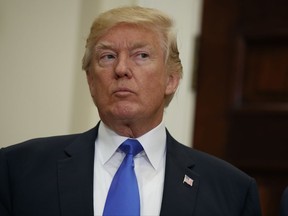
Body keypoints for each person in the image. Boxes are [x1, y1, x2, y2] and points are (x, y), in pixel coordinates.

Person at [0, 6, 262, 216]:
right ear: (91, 81)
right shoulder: (17, 170)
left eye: (141, 55)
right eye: (108, 56)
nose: (121, 69)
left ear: (171, 79)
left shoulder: (231, 190)